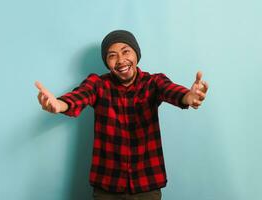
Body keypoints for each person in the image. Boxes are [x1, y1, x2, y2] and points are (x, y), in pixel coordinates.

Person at [35, 30, 208, 200]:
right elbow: (80, 95)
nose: (120, 60)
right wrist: (59, 104)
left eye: (126, 51)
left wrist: (188, 97)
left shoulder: (153, 82)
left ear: (136, 54)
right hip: (107, 187)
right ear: (107, 62)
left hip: (147, 185)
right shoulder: (98, 84)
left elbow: (170, 90)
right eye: (112, 55)